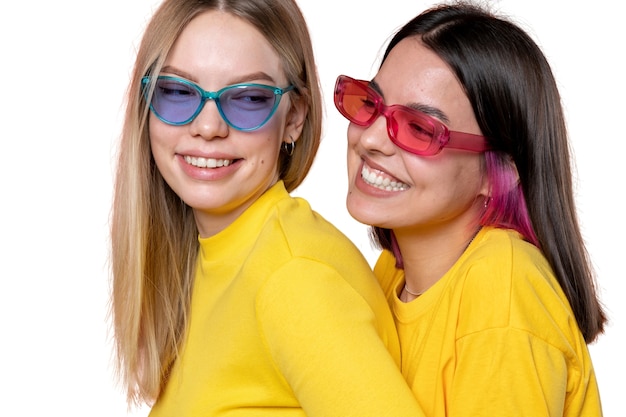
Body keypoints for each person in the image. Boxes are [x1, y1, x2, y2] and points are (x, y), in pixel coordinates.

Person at [109, 0, 424, 415]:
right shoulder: (212, 257)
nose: (207, 127)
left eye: (248, 99)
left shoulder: (296, 277)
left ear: (294, 117)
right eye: (177, 92)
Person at [333, 2, 606, 415]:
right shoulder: (392, 273)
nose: (371, 139)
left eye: (419, 128)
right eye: (371, 103)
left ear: (502, 168)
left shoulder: (502, 294)